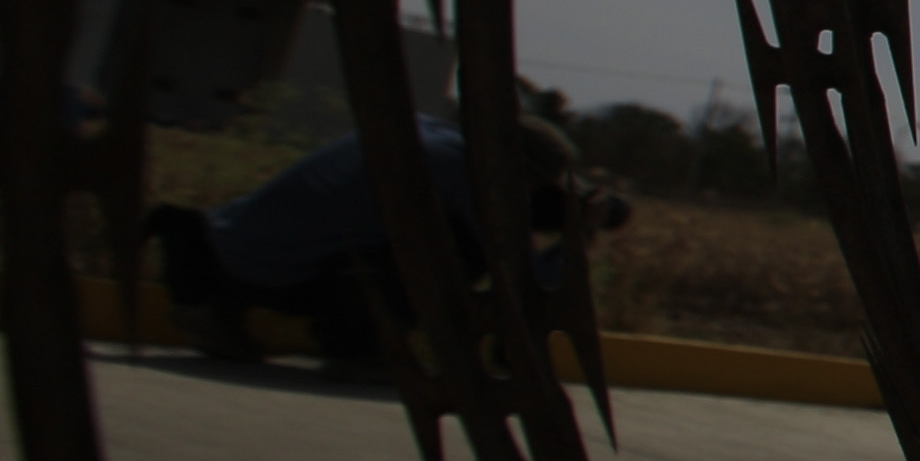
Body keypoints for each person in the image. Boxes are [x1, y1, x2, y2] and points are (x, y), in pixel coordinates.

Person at [147, 114, 629, 370]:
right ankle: (355, 349)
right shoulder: (460, 173)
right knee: (462, 252)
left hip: (231, 242)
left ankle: (211, 303)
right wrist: (579, 232)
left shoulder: (431, 134)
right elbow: (525, 278)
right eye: (531, 185)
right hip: (275, 268)